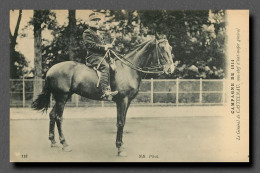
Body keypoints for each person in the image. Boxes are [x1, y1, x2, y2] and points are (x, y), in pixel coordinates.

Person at [82, 12, 118, 99]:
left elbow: (103, 46)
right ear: (89, 22)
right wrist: (104, 47)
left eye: (98, 20)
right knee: (105, 66)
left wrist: (108, 47)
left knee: (114, 66)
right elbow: (90, 45)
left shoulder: (98, 34)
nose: (97, 22)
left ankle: (112, 87)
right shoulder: (87, 32)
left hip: (102, 57)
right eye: (94, 20)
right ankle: (105, 91)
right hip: (93, 57)